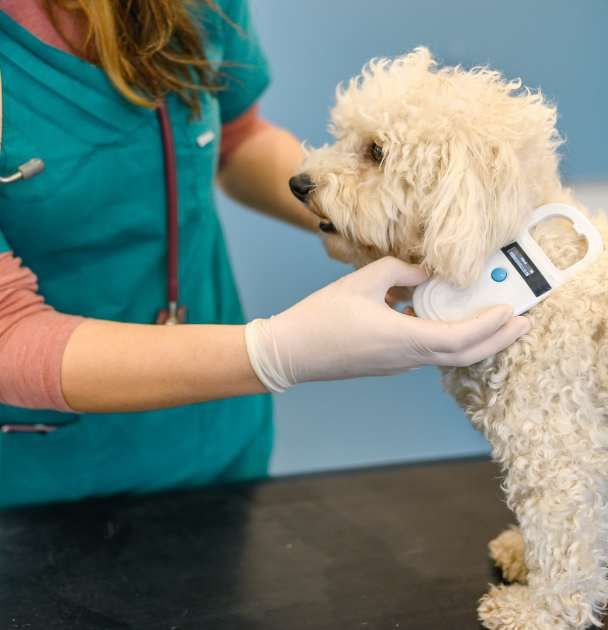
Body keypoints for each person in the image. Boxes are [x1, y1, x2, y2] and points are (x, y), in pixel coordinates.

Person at [0, 0, 528, 508]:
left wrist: (368, 212)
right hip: (36, 478)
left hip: (217, 441)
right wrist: (278, 352)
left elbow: (237, 135)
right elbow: (8, 330)